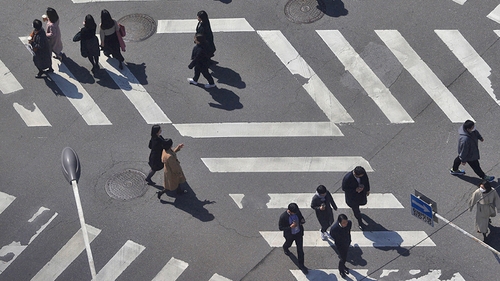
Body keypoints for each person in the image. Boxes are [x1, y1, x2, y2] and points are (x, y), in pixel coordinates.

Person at [278, 203, 308, 274]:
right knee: (288, 244)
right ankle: (285, 248)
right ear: (289, 211)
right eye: (294, 212)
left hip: (298, 234)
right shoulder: (283, 217)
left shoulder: (297, 212)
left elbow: (301, 218)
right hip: (290, 235)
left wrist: (302, 221)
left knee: (300, 250)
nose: (296, 213)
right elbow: (281, 228)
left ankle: (301, 265)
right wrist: (290, 227)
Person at [330, 214, 352, 279]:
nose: (346, 224)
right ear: (340, 222)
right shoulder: (334, 228)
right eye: (344, 223)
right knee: (343, 258)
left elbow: (348, 231)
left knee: (345, 256)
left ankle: (343, 266)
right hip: (340, 245)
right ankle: (341, 270)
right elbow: (332, 235)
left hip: (347, 242)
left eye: (346, 222)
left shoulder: (349, 223)